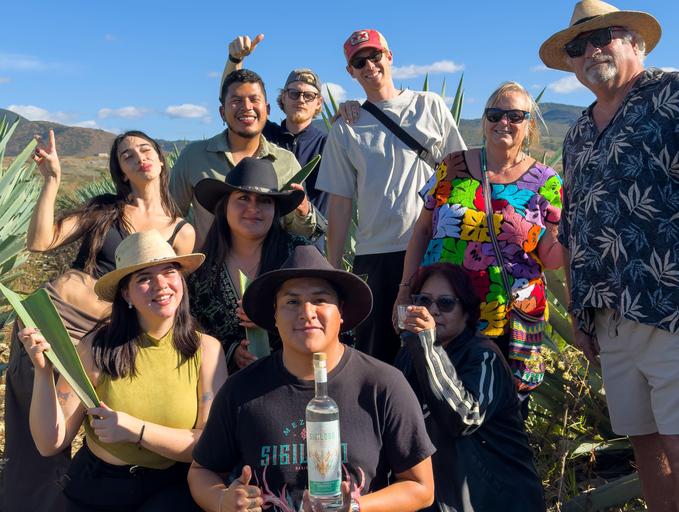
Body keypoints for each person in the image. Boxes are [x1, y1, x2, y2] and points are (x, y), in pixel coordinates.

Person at [539, 1, 679, 510]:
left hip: (677, 304)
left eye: (602, 37)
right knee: (645, 445)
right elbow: (576, 226)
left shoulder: (678, 94)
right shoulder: (578, 132)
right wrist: (580, 312)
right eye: (577, 46)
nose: (590, 51)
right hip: (609, 317)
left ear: (635, 42)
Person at [3, 130, 195, 512]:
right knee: (32, 433)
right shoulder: (104, 209)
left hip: (101, 339)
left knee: (73, 430)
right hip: (51, 321)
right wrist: (52, 179)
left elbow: (170, 297)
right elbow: (41, 242)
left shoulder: (181, 231)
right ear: (122, 171)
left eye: (144, 149)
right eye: (126, 155)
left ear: (159, 159)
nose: (137, 157)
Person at [188, 245, 435, 512]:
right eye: (292, 301)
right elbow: (202, 471)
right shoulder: (242, 389)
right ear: (275, 314)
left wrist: (354, 507)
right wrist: (223, 501)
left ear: (341, 311)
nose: (307, 312)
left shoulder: (383, 385)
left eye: (319, 300)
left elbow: (420, 487)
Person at [18, 230, 227, 511]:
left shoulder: (207, 351)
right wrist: (43, 373)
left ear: (181, 280)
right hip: (102, 487)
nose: (161, 285)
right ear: (126, 293)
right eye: (144, 278)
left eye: (169, 272)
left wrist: (134, 429)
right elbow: (50, 443)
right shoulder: (97, 348)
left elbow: (210, 446)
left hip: (174, 486)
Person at [395, 82, 563, 402]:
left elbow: (551, 258)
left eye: (515, 115)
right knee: (429, 404)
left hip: (509, 319)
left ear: (529, 126)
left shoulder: (546, 181)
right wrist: (404, 290)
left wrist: (565, 227)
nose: (504, 122)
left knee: (501, 413)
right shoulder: (452, 166)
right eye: (495, 114)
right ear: (484, 121)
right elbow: (422, 231)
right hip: (440, 311)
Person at [317, 29, 466, 365]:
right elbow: (340, 205)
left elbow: (459, 176)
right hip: (375, 255)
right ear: (350, 72)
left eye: (375, 56)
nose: (370, 65)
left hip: (433, 248)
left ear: (389, 55)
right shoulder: (345, 126)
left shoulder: (430, 106)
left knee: (441, 348)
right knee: (378, 352)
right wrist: (332, 272)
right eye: (359, 62)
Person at [395, 262, 546, 511]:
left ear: (466, 311)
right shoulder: (410, 353)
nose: (431, 310)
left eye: (445, 303)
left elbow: (463, 419)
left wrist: (427, 346)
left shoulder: (484, 357)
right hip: (442, 497)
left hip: (496, 500)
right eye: (424, 300)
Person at [169, 68, 317, 248]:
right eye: (236, 100)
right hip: (209, 274)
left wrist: (304, 213)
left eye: (254, 99)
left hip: (272, 274)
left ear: (267, 109)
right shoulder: (193, 157)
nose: (246, 107)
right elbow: (170, 219)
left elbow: (298, 234)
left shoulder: (286, 162)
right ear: (222, 113)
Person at [188, 156, 309, 373]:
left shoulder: (299, 254)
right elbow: (190, 331)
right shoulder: (201, 271)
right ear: (224, 206)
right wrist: (231, 351)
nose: (254, 208)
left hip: (298, 377)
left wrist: (278, 317)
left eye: (265, 200)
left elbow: (329, 312)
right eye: (243, 198)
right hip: (228, 390)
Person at [223, 34, 331, 235]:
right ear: (283, 96)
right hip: (262, 246)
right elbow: (231, 98)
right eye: (294, 93)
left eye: (309, 95)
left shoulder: (329, 144)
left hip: (307, 247)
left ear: (319, 103)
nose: (301, 99)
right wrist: (235, 60)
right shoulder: (263, 133)